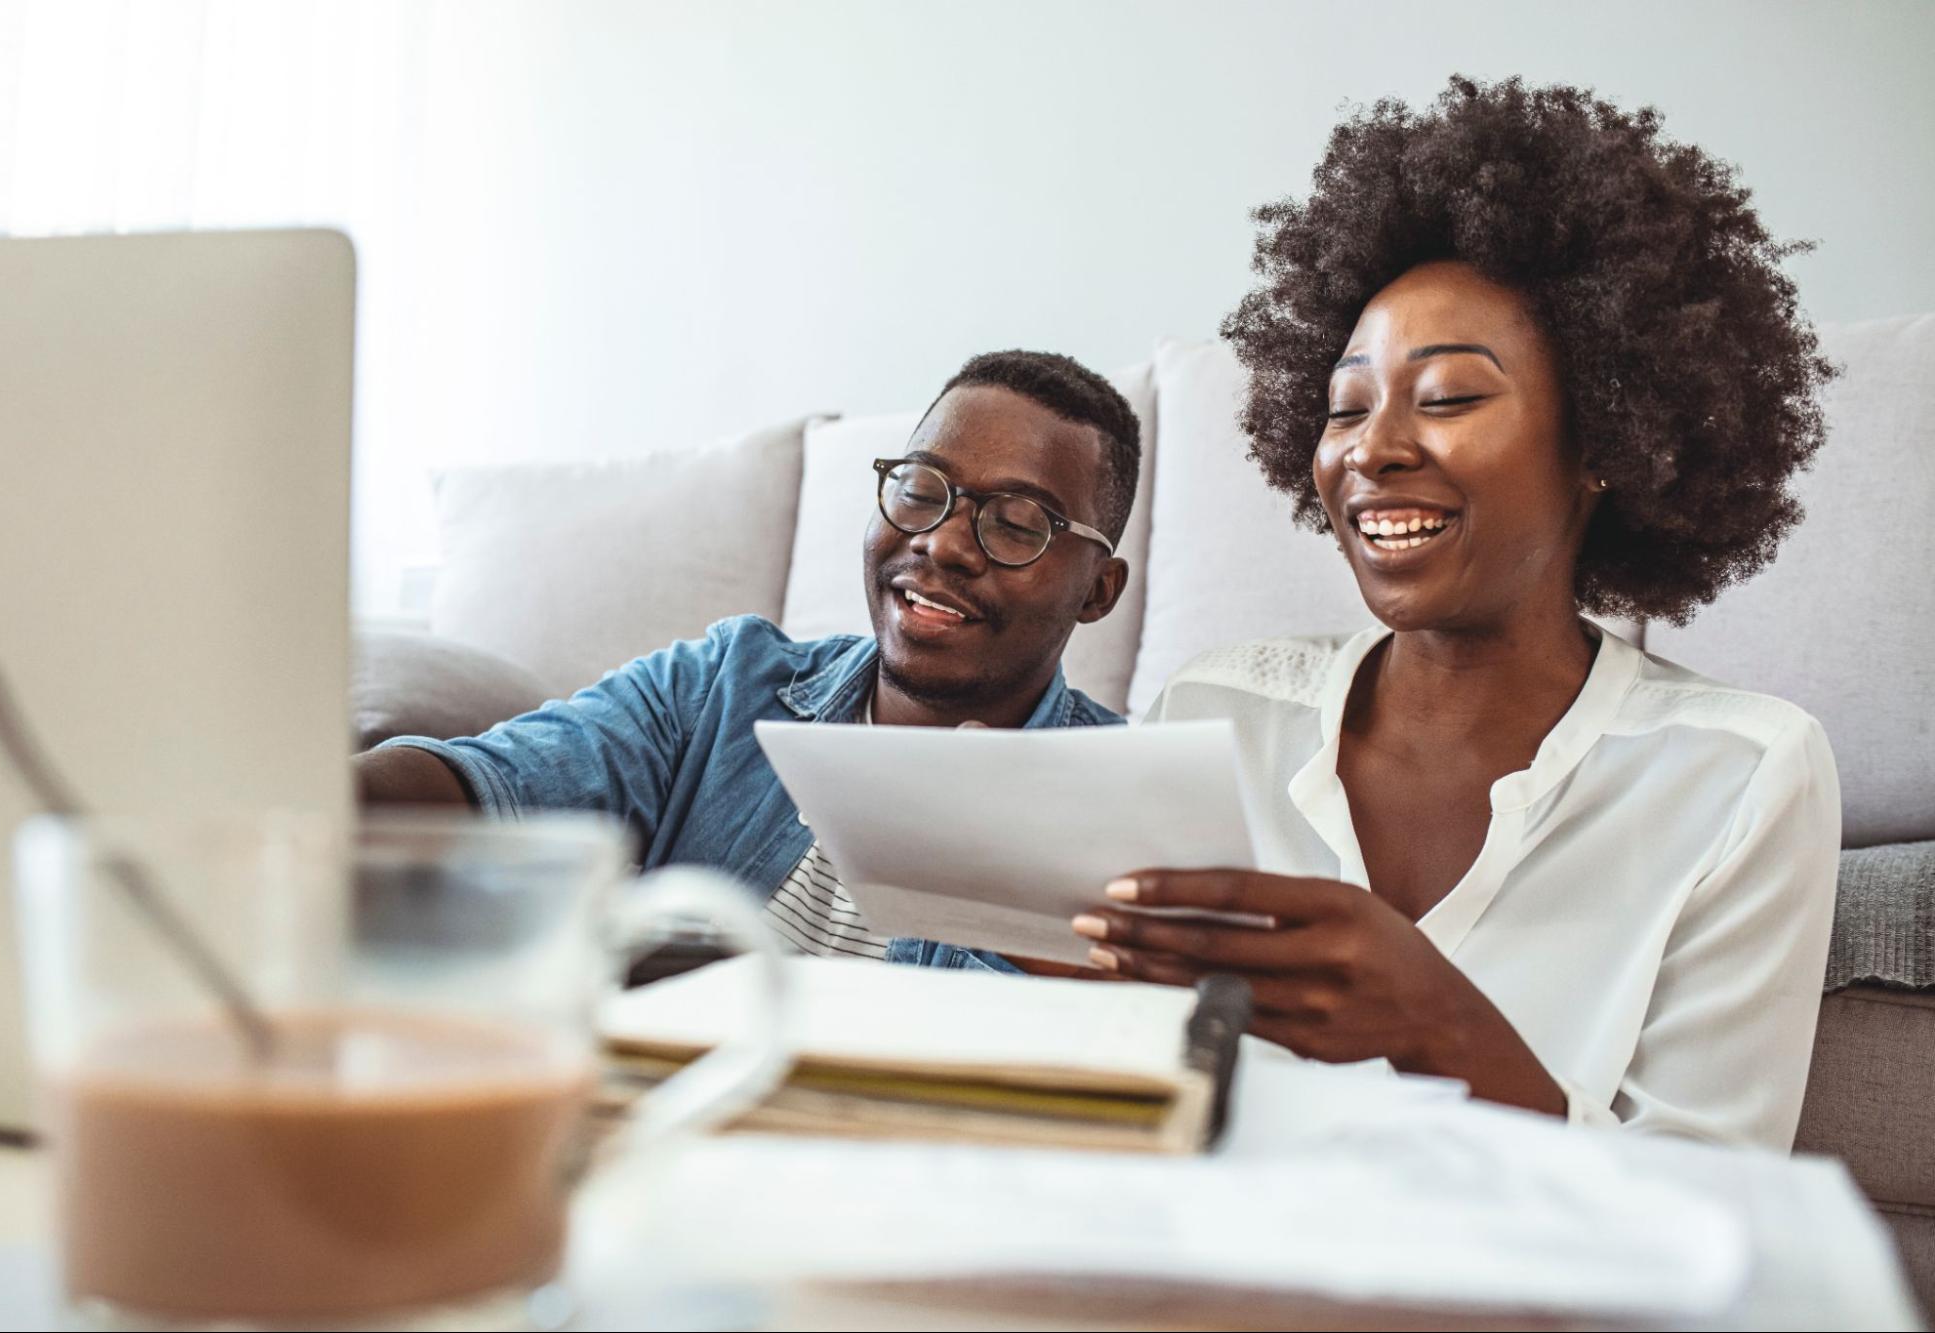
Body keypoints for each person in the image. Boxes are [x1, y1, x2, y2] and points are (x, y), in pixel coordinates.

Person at [1061, 77, 1840, 1149]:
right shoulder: (1213, 708)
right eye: (1345, 407)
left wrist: (1442, 1029)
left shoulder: (1744, 775)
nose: (1370, 449)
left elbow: (1715, 1227)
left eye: (1448, 399)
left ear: (1606, 440)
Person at [356, 349, 1135, 958]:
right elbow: (486, 784)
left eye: (1016, 521)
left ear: (1097, 589)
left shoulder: (1134, 808)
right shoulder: (718, 691)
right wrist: (293, 800)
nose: (941, 541)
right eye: (920, 487)